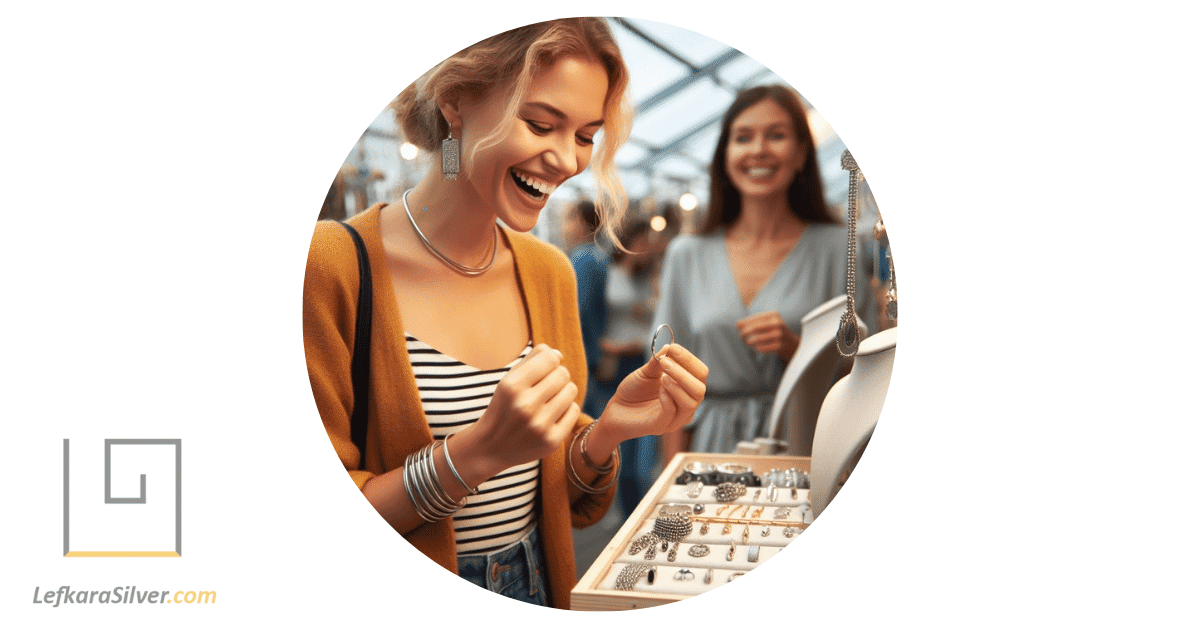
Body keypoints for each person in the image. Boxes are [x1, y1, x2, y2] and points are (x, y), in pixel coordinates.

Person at [302, 19, 708, 609]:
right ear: (455, 102)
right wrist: (480, 451)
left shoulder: (548, 271)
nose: (566, 158)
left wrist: (610, 430)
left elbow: (558, 496)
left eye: (587, 135)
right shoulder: (332, 264)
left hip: (536, 585)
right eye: (540, 124)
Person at [654, 84, 843, 456]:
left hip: (808, 440)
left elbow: (860, 369)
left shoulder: (837, 248)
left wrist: (797, 349)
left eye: (776, 135)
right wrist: (670, 475)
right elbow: (668, 375)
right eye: (743, 137)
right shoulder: (686, 254)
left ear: (802, 153)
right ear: (725, 154)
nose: (758, 149)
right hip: (710, 447)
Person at [561, 200, 608, 419]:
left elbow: (574, 308)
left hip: (581, 348)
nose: (565, 226)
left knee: (580, 415)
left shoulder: (583, 258)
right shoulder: (599, 255)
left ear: (582, 223)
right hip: (593, 348)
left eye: (569, 219)